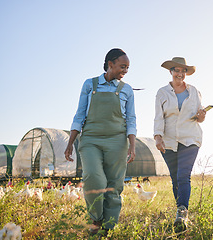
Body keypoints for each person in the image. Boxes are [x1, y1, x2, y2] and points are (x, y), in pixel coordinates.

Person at [64, 48, 136, 236]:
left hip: (117, 141)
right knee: (94, 178)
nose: (125, 70)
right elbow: (80, 114)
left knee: (114, 184)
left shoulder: (126, 89)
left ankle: (108, 226)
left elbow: (131, 119)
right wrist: (70, 142)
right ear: (110, 64)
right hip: (91, 139)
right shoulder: (90, 85)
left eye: (127, 67)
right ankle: (96, 218)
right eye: (122, 66)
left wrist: (133, 145)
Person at [154, 57, 206, 232]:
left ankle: (182, 211)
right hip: (168, 141)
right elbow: (158, 117)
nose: (180, 74)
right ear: (171, 72)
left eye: (183, 71)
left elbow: (200, 116)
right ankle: (180, 211)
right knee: (175, 178)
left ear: (186, 73)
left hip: (190, 139)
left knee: (184, 175)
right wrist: (158, 138)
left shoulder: (194, 92)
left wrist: (202, 116)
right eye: (176, 70)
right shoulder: (162, 92)